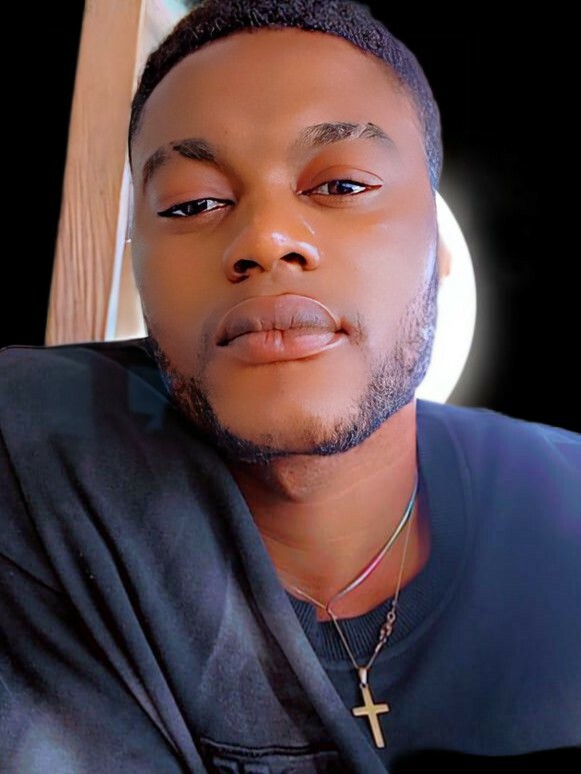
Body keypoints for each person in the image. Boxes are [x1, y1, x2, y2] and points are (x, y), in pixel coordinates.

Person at [0, 1, 579, 771]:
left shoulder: (563, 509)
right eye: (192, 203)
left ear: (441, 249)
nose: (266, 239)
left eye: (340, 185)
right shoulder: (28, 464)